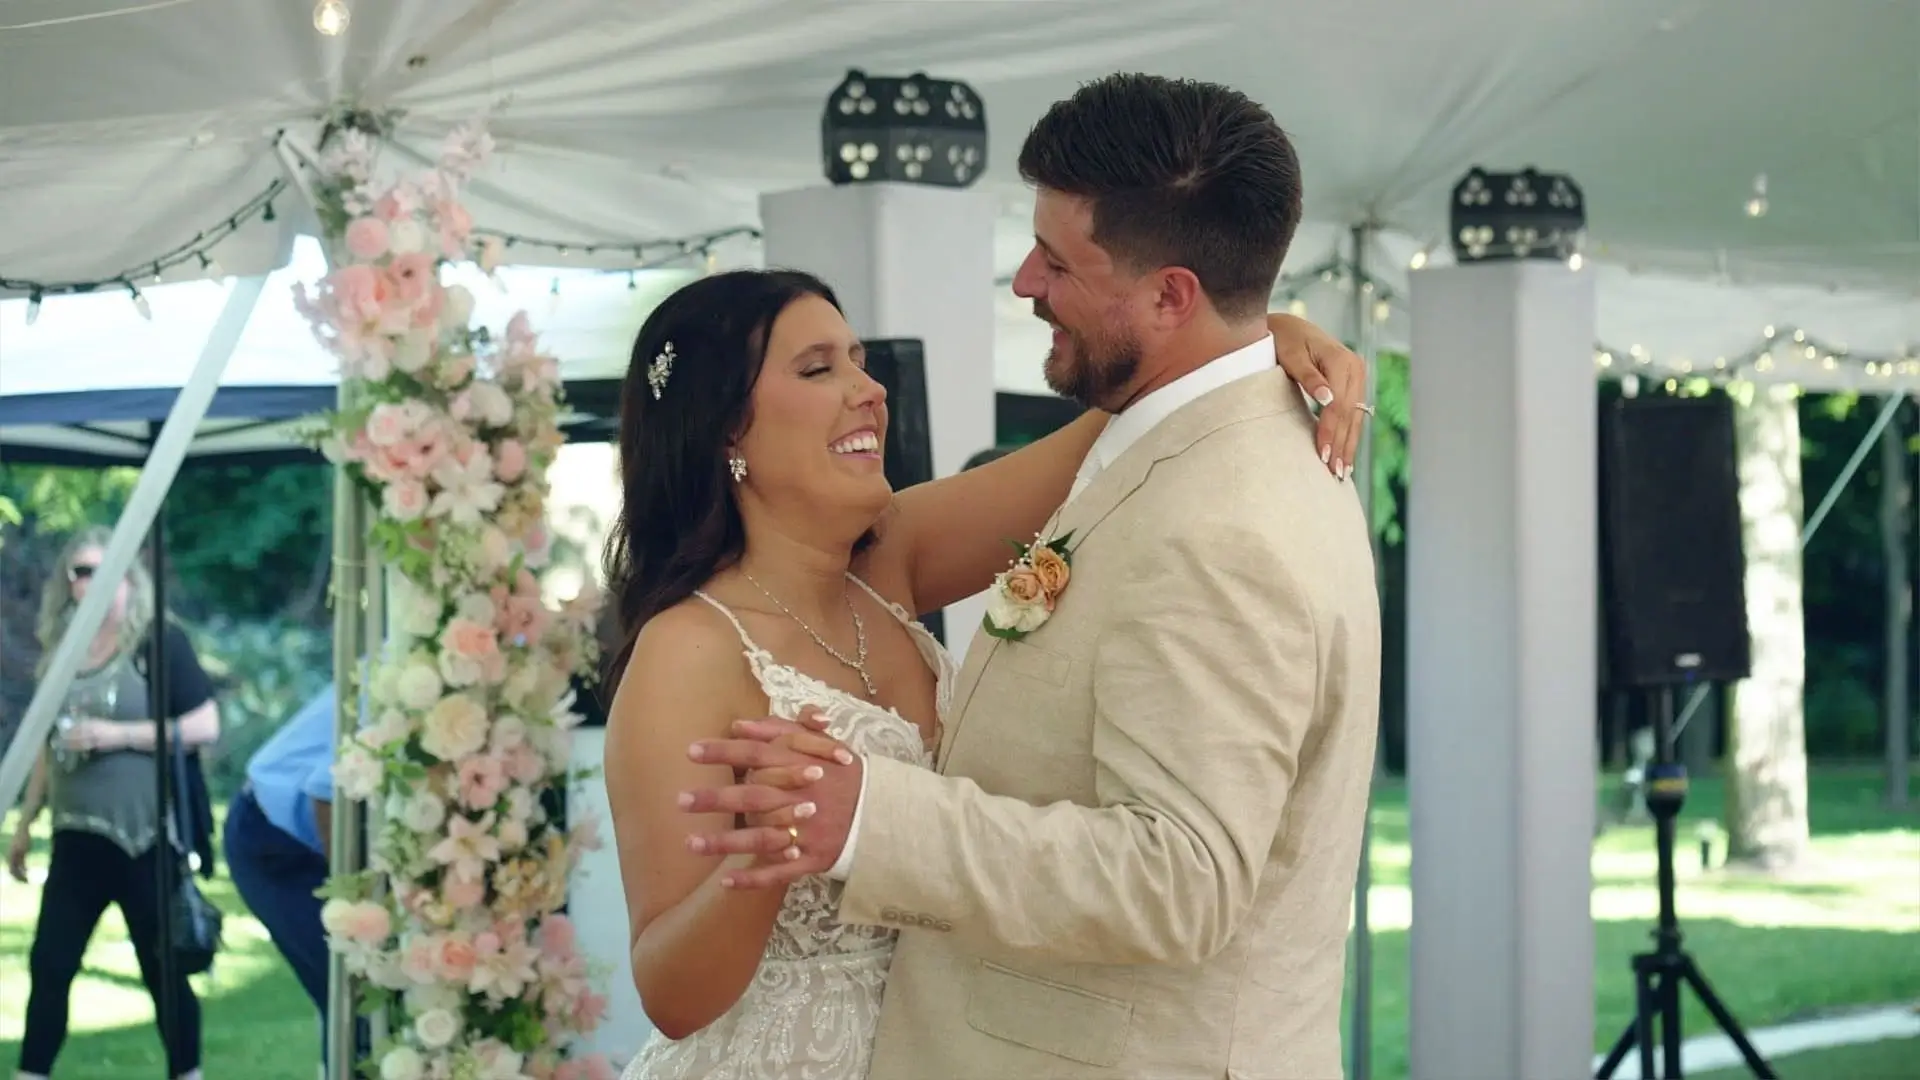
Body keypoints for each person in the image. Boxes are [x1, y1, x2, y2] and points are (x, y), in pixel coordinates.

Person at [676, 73, 1381, 1079]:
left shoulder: (1217, 519)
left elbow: (1181, 878)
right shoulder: (1212, 442)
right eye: (816, 368)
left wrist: (871, 819)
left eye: (1056, 259)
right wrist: (1262, 336)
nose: (1022, 282)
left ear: (1171, 295)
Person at [8, 528, 220, 1080]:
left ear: (129, 580)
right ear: (68, 583)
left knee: (163, 972)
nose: (94, 582)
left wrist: (116, 735)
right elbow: (44, 746)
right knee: (50, 966)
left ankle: (188, 1073)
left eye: (106, 571)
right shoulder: (62, 651)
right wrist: (26, 824)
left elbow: (205, 725)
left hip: (146, 837)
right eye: (82, 571)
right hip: (76, 836)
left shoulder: (157, 643)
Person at [223, 682, 352, 1073]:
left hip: (308, 831)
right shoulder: (409, 676)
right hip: (274, 838)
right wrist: (355, 906)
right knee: (356, 997)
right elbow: (326, 791)